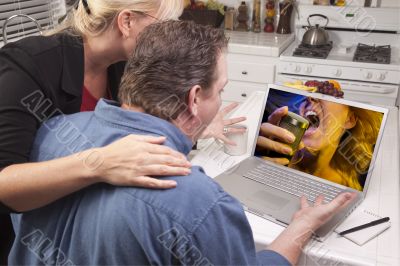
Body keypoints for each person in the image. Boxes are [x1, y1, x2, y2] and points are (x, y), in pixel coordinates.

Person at [10, 21, 356, 265]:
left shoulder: (52, 133)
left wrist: (195, 132)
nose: (220, 100)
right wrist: (302, 226)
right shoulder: (199, 203)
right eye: (220, 91)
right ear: (194, 99)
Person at [0, 0, 244, 262]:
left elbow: (140, 122)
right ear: (126, 21)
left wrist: (194, 123)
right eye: (163, 24)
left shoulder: (126, 64)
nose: (169, 35)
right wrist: (100, 163)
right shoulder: (28, 66)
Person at [257, 89, 383, 191]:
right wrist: (254, 159)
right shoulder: (269, 157)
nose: (310, 97)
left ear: (349, 120)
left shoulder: (349, 190)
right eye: (304, 92)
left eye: (326, 94)